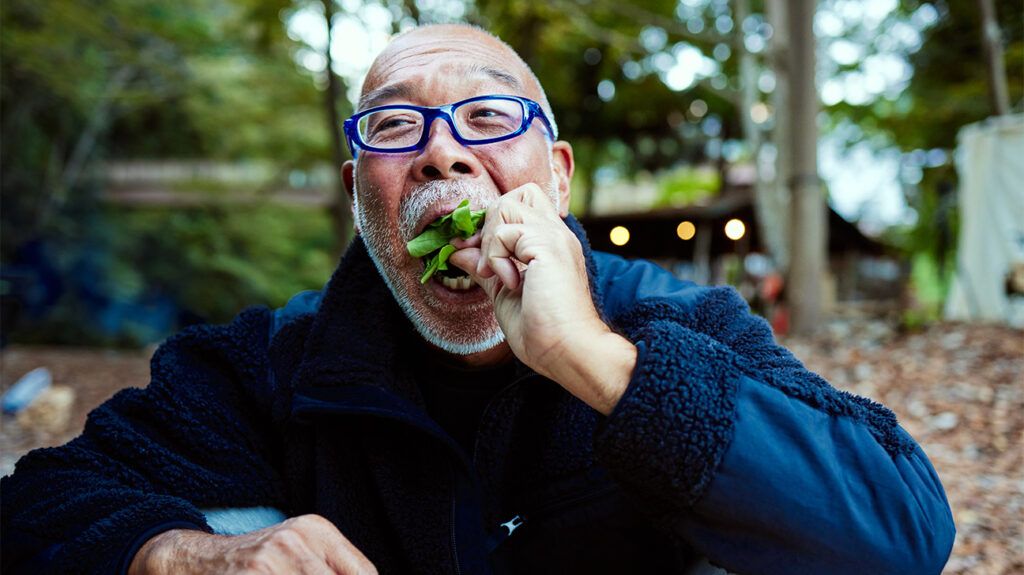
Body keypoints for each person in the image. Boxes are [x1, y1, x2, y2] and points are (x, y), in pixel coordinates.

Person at [1, 24, 955, 575]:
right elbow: (33, 507)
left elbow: (901, 532)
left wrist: (591, 358)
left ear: (560, 178)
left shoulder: (670, 323)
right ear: (355, 193)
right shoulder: (269, 363)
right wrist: (184, 557)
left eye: (490, 116)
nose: (444, 151)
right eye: (394, 124)